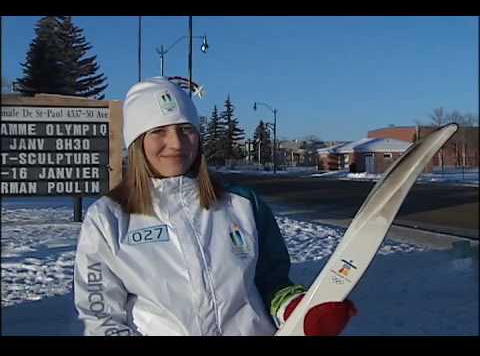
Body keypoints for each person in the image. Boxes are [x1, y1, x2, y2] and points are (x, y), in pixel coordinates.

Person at [74, 76, 356, 336]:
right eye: (159, 131)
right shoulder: (108, 218)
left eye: (186, 129)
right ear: (137, 143)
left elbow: (272, 283)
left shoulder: (243, 204)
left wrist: (297, 310)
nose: (176, 143)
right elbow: (102, 319)